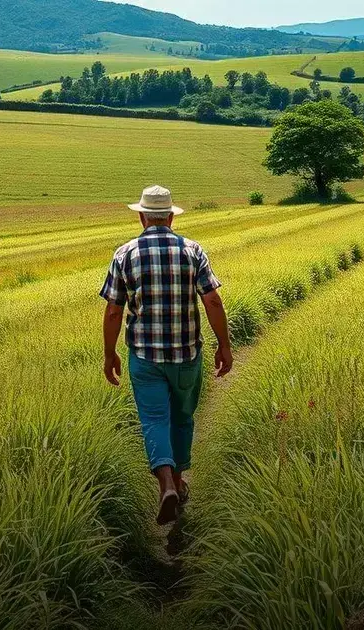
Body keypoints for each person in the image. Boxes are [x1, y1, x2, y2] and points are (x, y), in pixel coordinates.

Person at [100, 185, 233, 525]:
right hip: (187, 354)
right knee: (183, 416)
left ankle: (166, 485)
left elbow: (114, 311)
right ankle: (178, 480)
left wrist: (109, 353)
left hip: (144, 357)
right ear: (172, 216)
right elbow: (213, 301)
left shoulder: (124, 254)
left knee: (154, 418)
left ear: (142, 217)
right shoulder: (192, 250)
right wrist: (225, 345)